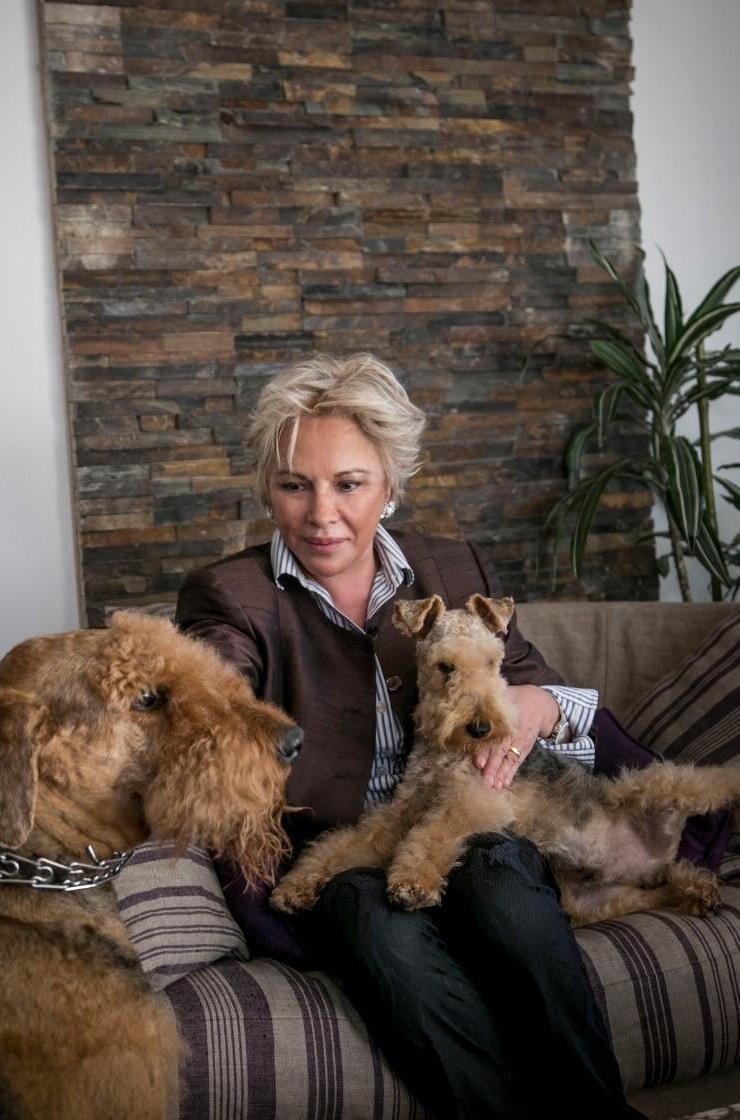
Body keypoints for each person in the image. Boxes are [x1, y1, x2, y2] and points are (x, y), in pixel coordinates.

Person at [176, 353, 645, 1120]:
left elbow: (542, 685)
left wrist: (533, 703)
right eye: (294, 485)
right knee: (382, 937)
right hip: (344, 843)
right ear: (266, 487)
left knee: (505, 897)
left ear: (390, 483)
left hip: (468, 813)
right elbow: (211, 689)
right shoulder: (228, 593)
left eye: (348, 483)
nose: (321, 514)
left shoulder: (453, 566)